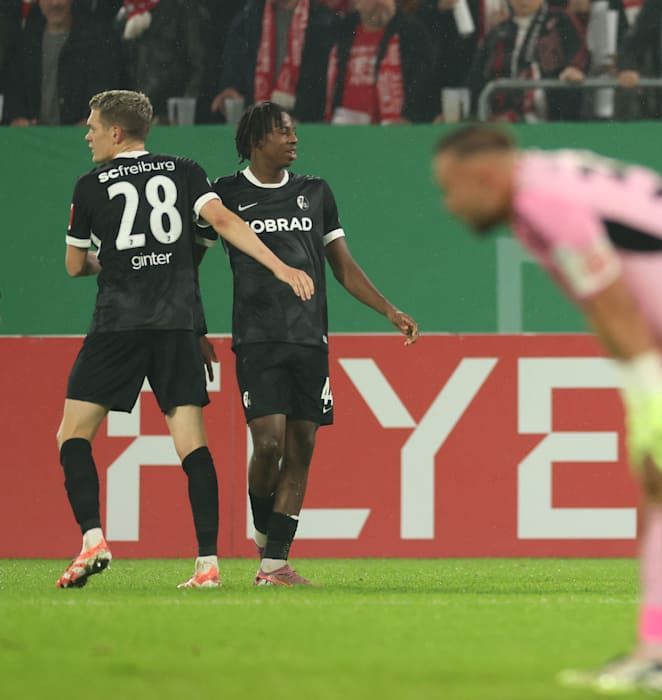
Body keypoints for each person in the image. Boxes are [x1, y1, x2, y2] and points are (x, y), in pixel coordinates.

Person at [432, 125, 662, 693]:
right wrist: (646, 401)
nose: (449, 206)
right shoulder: (536, 197)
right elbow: (604, 309)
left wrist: (650, 401)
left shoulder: (543, 199)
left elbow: (615, 303)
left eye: (451, 189)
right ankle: (656, 650)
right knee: (660, 479)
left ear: (486, 175)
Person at [55, 89, 314, 589]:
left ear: (115, 131)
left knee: (71, 436)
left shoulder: (89, 185)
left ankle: (92, 540)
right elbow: (222, 221)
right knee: (192, 444)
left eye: (92, 126)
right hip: (176, 324)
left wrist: (112, 261)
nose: (86, 134)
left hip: (118, 323)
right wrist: (280, 265)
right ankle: (207, 564)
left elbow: (72, 266)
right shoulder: (184, 170)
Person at [204, 101, 418, 586]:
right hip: (257, 339)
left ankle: (274, 564)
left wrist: (388, 309)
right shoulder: (226, 194)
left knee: (301, 446)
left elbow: (342, 265)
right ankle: (265, 531)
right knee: (268, 443)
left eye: (294, 130)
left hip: (309, 340)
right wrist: (192, 324)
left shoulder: (315, 193)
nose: (294, 138)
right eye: (284, 131)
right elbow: (191, 259)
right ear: (258, 140)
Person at [212, 0, 339, 123]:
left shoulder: (327, 22)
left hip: (307, 131)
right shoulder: (246, 20)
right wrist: (230, 92)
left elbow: (328, 91)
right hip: (256, 129)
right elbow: (232, 78)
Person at [467, 0, 588, 122]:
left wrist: (573, 68)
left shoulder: (561, 20)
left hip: (550, 118)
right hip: (500, 119)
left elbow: (578, 53)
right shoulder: (496, 33)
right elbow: (477, 77)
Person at [324, 0, 438, 124]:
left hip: (393, 131)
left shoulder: (413, 32)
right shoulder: (340, 31)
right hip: (342, 128)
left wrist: (409, 117)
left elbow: (424, 83)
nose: (380, 2)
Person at [6, 0, 118, 126]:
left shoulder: (96, 41)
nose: (55, 3)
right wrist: (18, 118)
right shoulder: (25, 43)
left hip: (78, 137)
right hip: (33, 138)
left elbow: (101, 87)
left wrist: (91, 120)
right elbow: (14, 93)